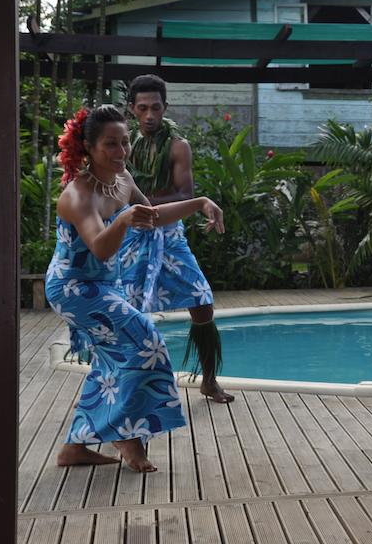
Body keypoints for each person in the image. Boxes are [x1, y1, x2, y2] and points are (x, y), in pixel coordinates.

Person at [46, 105, 225, 471]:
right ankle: (127, 438)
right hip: (72, 288)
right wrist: (125, 218)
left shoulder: (122, 179)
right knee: (146, 342)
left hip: (103, 284)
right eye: (110, 144)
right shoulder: (78, 195)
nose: (121, 152)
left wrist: (200, 202)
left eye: (124, 142)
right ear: (89, 148)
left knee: (116, 357)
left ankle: (75, 447)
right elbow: (101, 247)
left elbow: (153, 217)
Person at [120, 74, 233, 403]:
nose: (150, 115)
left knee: (202, 301)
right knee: (125, 307)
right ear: (132, 109)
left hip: (168, 235)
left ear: (165, 107)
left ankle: (209, 380)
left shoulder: (177, 145)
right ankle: (122, 385)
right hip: (130, 233)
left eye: (156, 107)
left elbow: (185, 192)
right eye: (143, 108)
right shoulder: (124, 144)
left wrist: (143, 201)